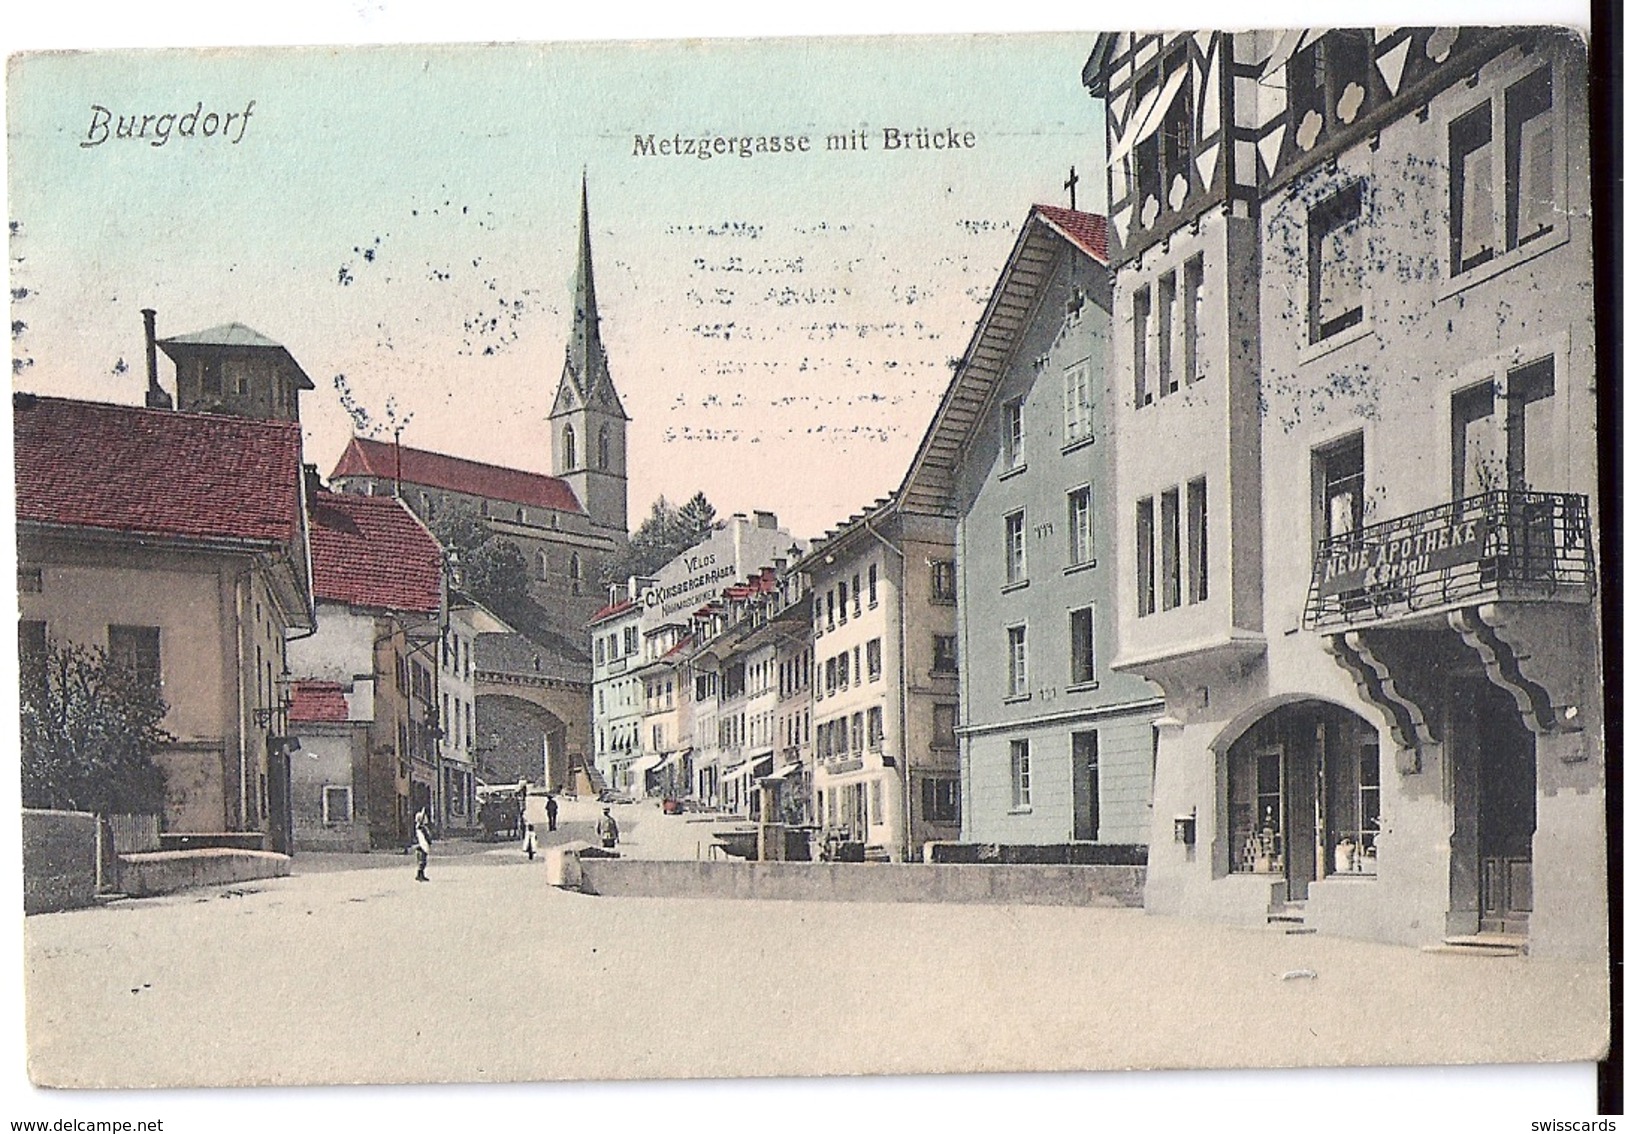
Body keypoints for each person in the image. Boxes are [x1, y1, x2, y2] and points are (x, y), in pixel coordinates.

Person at [413, 808, 432, 882]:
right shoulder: (420, 827)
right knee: (421, 861)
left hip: (423, 846)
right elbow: (422, 837)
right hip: (421, 846)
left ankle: (422, 874)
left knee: (423, 861)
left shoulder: (423, 827)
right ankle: (419, 875)